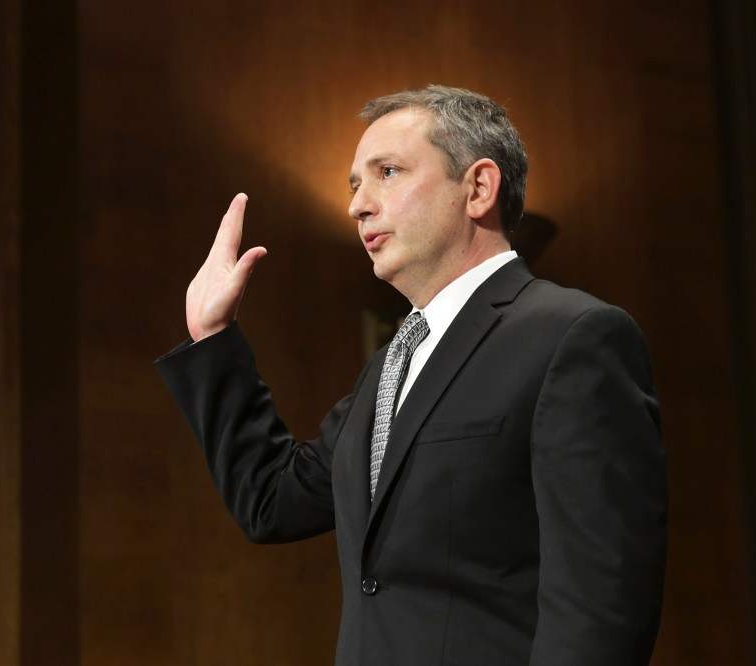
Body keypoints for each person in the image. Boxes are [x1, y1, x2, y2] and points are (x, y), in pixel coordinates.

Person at [155, 85, 667, 665]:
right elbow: (272, 500)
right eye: (355, 185)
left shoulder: (572, 336)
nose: (358, 205)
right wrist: (212, 339)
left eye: (388, 172)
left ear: (477, 188)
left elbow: (602, 602)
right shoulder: (393, 363)